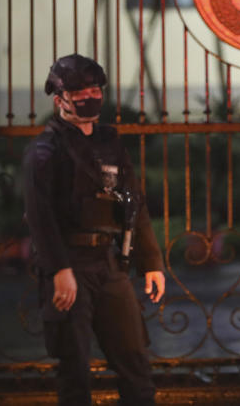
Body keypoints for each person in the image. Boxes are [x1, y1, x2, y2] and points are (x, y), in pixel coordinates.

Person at [21, 53, 165, 405]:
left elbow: (135, 201)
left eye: (95, 90)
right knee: (75, 367)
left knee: (134, 358)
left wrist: (152, 262)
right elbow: (40, 217)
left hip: (108, 262)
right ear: (60, 100)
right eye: (80, 93)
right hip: (70, 265)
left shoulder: (109, 141)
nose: (90, 98)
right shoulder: (46, 150)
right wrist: (60, 270)